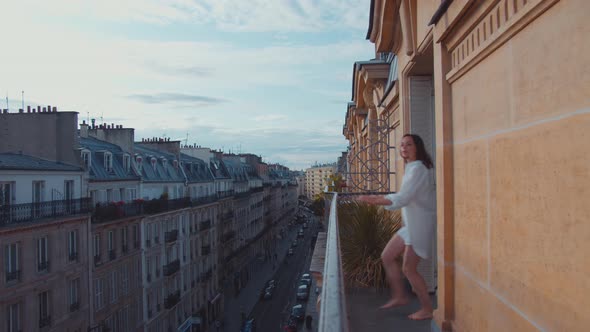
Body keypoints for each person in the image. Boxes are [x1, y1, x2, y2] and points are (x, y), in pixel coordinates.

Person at [357, 134, 435, 321]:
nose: (404, 148)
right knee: (387, 255)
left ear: (418, 147)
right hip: (411, 224)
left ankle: (427, 309)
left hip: (420, 225)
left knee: (409, 269)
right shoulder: (411, 168)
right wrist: (378, 199)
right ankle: (400, 296)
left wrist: (374, 200)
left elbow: (403, 198)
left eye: (409, 144)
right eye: (401, 145)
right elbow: (402, 195)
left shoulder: (418, 169)